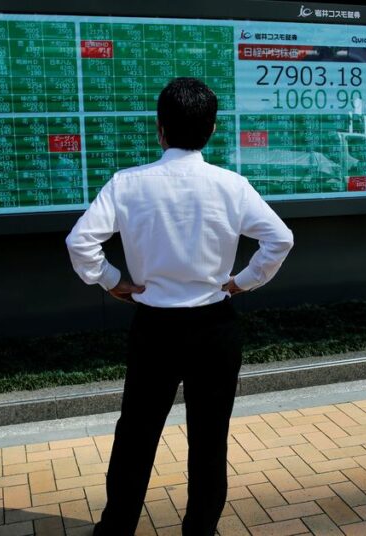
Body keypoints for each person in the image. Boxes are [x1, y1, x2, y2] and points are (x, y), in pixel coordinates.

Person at [65, 77, 294, 535]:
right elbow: (280, 238)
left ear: (159, 129)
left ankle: (116, 528)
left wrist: (111, 281)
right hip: (215, 325)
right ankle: (200, 530)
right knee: (210, 439)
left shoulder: (127, 184)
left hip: (154, 327)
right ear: (211, 130)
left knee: (136, 434)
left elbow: (80, 242)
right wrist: (244, 281)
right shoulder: (232, 185)